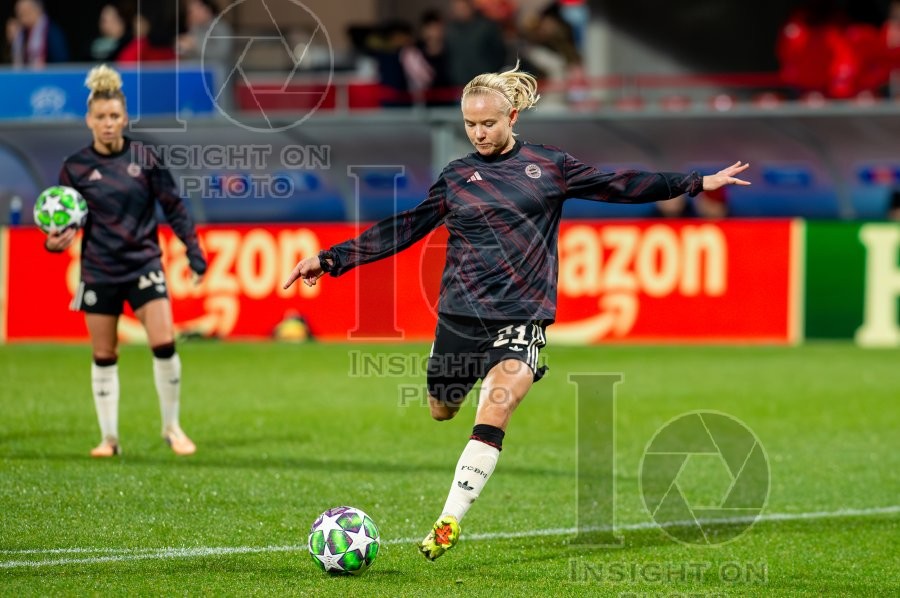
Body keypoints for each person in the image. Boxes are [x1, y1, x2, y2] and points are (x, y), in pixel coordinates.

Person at [283, 63, 750, 561]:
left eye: (488, 123)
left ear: (512, 116)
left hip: (523, 314)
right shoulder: (457, 177)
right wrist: (331, 259)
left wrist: (693, 182)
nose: (479, 132)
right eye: (470, 125)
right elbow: (405, 227)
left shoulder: (549, 167)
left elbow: (619, 184)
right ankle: (458, 409)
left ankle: (448, 520)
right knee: (442, 409)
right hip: (461, 315)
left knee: (498, 404)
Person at [43, 65, 206, 458]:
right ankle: (109, 440)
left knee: (165, 344)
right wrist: (54, 241)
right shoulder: (75, 168)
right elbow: (62, 225)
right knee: (104, 354)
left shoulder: (146, 158)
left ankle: (172, 427)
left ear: (125, 117)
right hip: (99, 270)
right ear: (89, 120)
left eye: (114, 116)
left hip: (144, 265)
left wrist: (193, 250)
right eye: (101, 117)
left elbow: (174, 207)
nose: (108, 123)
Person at [7, 0, 69, 67]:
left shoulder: (51, 32)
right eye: (18, 13)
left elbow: (61, 62)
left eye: (24, 12)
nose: (20, 17)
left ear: (37, 10)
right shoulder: (22, 34)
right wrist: (14, 42)